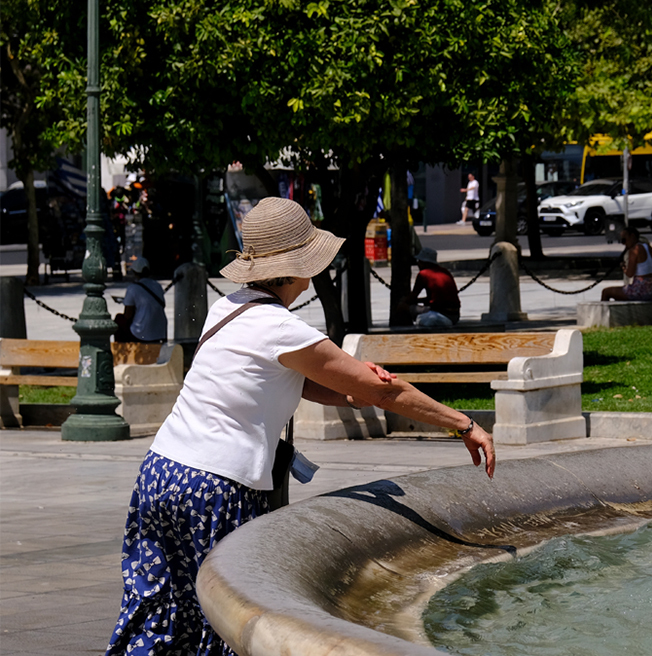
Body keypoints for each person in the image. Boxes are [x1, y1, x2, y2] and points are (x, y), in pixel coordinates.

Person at [105, 198, 495, 656]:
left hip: (161, 471)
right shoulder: (282, 329)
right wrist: (463, 424)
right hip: (214, 487)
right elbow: (386, 394)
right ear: (298, 269)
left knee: (160, 608)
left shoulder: (227, 308)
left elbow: (292, 382)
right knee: (229, 621)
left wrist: (352, 387)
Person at [398, 246, 461, 327]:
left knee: (402, 307)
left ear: (424, 262)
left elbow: (412, 297)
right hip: (454, 315)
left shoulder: (423, 274)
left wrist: (404, 300)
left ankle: (404, 328)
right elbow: (437, 298)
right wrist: (419, 301)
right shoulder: (444, 271)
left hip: (439, 313)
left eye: (419, 261)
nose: (418, 264)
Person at [114, 257, 167, 343]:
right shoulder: (157, 286)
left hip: (141, 333)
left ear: (135, 272)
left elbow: (127, 315)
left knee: (119, 319)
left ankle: (123, 350)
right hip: (160, 332)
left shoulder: (133, 288)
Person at [601, 226, 652, 301]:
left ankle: (603, 313)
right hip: (651, 290)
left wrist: (623, 267)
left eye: (624, 240)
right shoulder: (649, 248)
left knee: (606, 292)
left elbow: (630, 274)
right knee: (620, 292)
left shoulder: (634, 250)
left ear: (632, 236)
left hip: (638, 291)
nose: (623, 243)